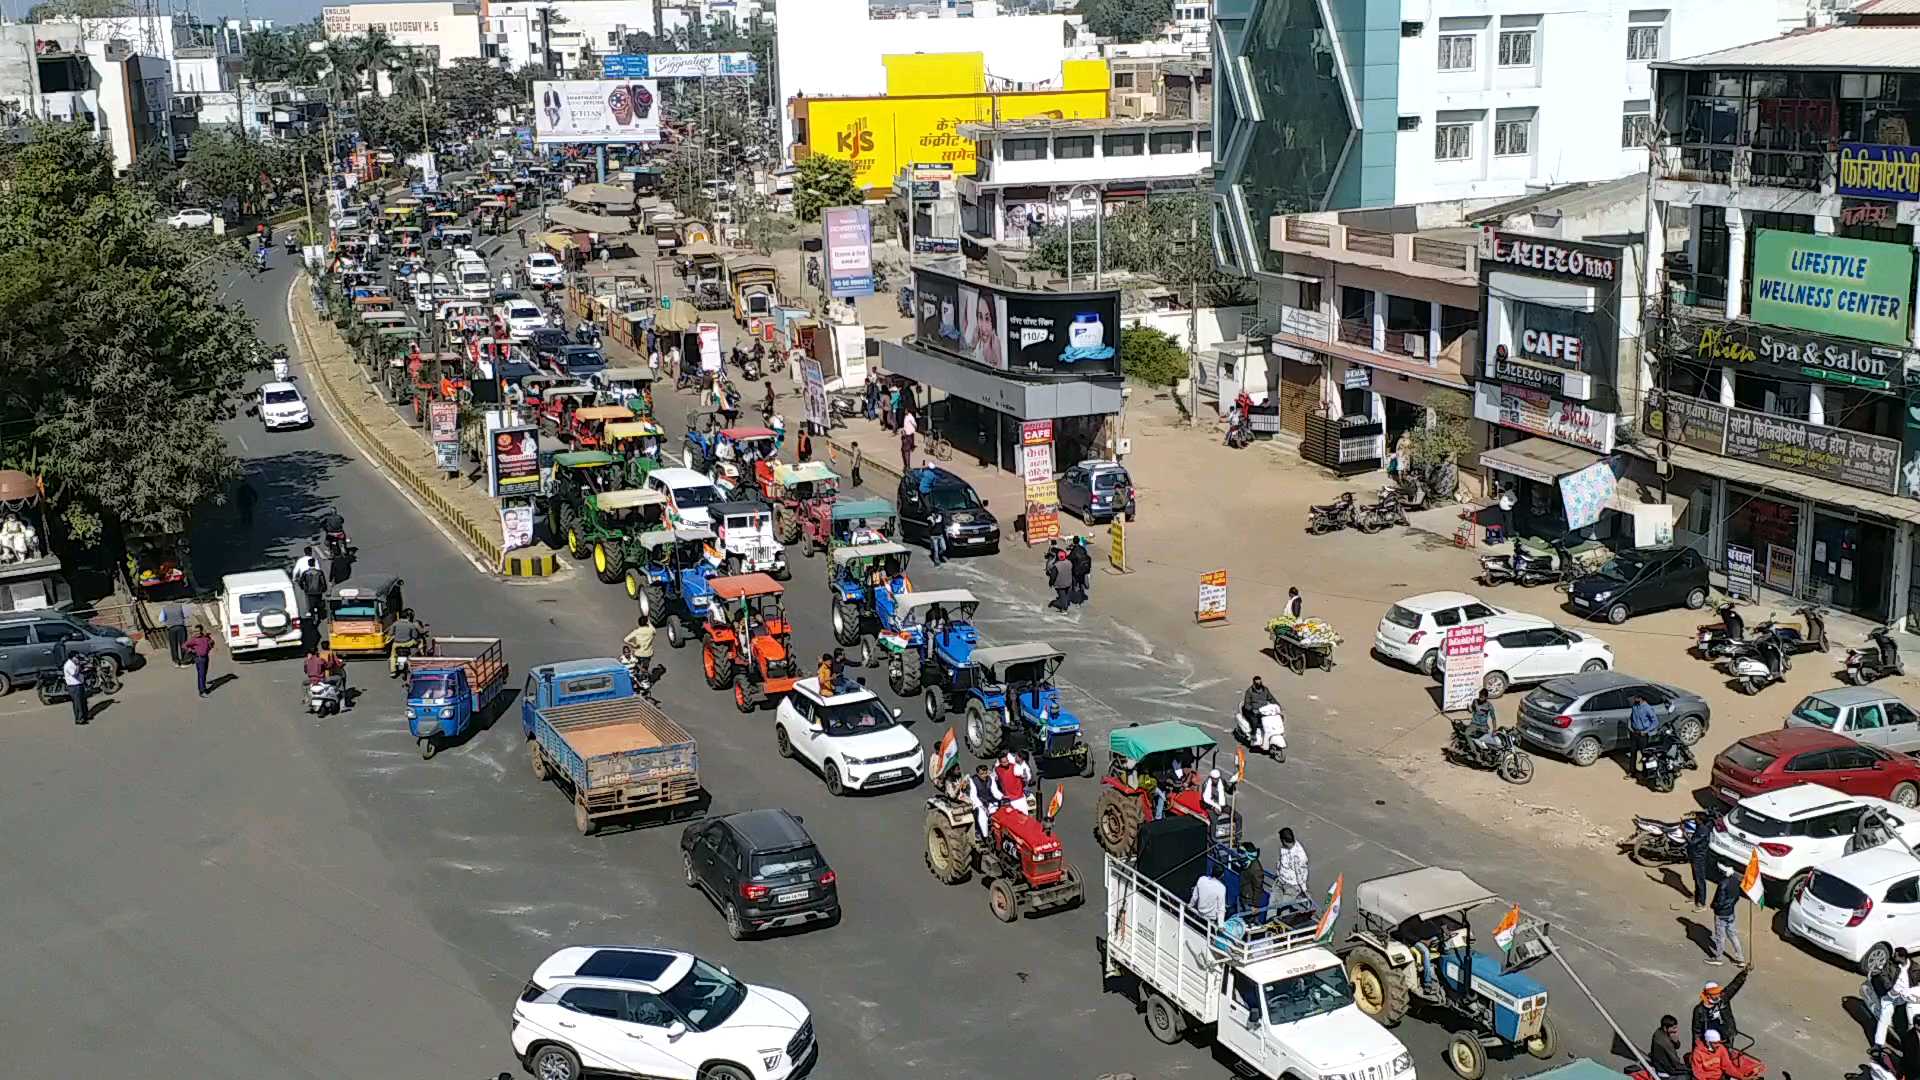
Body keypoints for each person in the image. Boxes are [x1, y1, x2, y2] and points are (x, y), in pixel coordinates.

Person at [1875, 952, 1918, 1048]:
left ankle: (1909, 1043)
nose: (1893, 956)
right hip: (1891, 997)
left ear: (1902, 957)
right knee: (1885, 1017)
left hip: (1905, 997)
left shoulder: (1915, 967)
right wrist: (1891, 988)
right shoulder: (1890, 965)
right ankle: (1878, 1044)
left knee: (1909, 1021)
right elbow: (1883, 975)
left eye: (1896, 955)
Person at [1693, 972, 1747, 1045]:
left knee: (1726, 1054)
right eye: (1714, 994)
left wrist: (1744, 973)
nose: (1717, 995)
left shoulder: (1723, 999)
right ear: (1707, 994)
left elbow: (1733, 987)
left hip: (1726, 1037)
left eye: (1718, 993)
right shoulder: (1699, 1010)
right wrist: (1697, 1047)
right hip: (1710, 1040)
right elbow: (1696, 1031)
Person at [1689, 1029, 1763, 1080]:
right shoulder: (1698, 1052)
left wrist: (1742, 1077)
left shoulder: (1721, 1048)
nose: (1718, 1045)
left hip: (1719, 1077)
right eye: (1715, 1043)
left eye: (1719, 1042)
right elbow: (1698, 1073)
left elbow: (1728, 1066)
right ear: (1708, 1042)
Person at [1707, 872, 1747, 966]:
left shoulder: (1723, 883)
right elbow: (1737, 897)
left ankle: (1719, 958)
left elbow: (1719, 901)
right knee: (1733, 935)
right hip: (1730, 913)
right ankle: (1741, 959)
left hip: (1721, 914)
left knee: (1720, 936)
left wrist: (1714, 906)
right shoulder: (1735, 881)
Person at [1687, 812, 1717, 911]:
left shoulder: (1703, 830)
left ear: (1700, 820)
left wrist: (1684, 834)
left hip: (1699, 858)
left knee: (1700, 880)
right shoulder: (1701, 827)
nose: (1695, 820)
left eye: (1697, 819)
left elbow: (1692, 842)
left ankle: (1702, 903)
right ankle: (1696, 897)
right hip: (1695, 856)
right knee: (1696, 878)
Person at [1275, 828, 1309, 899]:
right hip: (1281, 880)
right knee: (1272, 906)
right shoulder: (1284, 848)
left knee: (1283, 907)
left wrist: (1304, 890)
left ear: (1283, 840)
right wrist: (1278, 871)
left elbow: (1300, 874)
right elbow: (1280, 860)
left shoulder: (1299, 856)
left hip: (1292, 886)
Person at [1629, 694, 1659, 774]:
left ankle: (1646, 772)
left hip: (1642, 734)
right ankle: (1632, 772)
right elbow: (1631, 717)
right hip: (1634, 733)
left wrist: (1646, 731)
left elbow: (1655, 722)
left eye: (1636, 697)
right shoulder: (1634, 706)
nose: (1634, 699)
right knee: (1633, 753)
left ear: (1641, 698)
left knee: (1644, 754)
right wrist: (1630, 727)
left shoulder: (1647, 708)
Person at [1242, 675, 1277, 743]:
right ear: (1254, 683)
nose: (1258, 683)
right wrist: (1252, 709)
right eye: (1257, 682)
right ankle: (1253, 734)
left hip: (1263, 710)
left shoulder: (1265, 690)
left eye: (1259, 682)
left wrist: (1277, 706)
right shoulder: (1249, 691)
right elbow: (1247, 704)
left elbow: (1271, 698)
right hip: (1252, 711)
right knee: (1254, 720)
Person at [967, 762, 998, 838]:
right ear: (978, 774)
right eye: (982, 774)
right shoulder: (972, 781)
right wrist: (983, 807)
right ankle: (984, 835)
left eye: (985, 773)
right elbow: (973, 796)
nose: (984, 775)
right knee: (982, 816)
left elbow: (995, 791)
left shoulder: (990, 778)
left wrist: (1003, 798)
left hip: (990, 802)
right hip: (979, 803)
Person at [389, 608, 421, 677]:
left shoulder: (395, 624)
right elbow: (415, 636)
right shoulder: (411, 625)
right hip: (408, 643)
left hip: (397, 644)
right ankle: (419, 659)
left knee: (393, 656)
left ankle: (393, 671)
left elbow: (390, 633)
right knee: (418, 643)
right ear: (408, 617)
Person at [62, 647, 89, 725]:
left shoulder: (74, 663)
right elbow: (75, 673)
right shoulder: (68, 665)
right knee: (78, 704)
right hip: (74, 687)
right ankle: (79, 719)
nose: (77, 658)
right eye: (76, 657)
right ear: (72, 658)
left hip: (79, 684)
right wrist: (78, 665)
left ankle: (85, 716)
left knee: (83, 701)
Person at [186, 625, 215, 698]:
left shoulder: (205, 637)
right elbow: (184, 645)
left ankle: (203, 688)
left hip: (205, 657)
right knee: (201, 674)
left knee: (203, 674)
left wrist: (210, 646)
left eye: (198, 631)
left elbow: (211, 643)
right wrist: (191, 650)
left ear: (201, 631)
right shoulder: (193, 639)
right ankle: (202, 691)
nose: (196, 633)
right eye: (195, 631)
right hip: (199, 659)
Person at [1069, 536, 1092, 604]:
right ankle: (1082, 593)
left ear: (1073, 541)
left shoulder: (1074, 550)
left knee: (1075, 583)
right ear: (1079, 541)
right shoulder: (1082, 548)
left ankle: (1076, 598)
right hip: (1084, 570)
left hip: (1076, 571)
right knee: (1081, 583)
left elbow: (1070, 558)